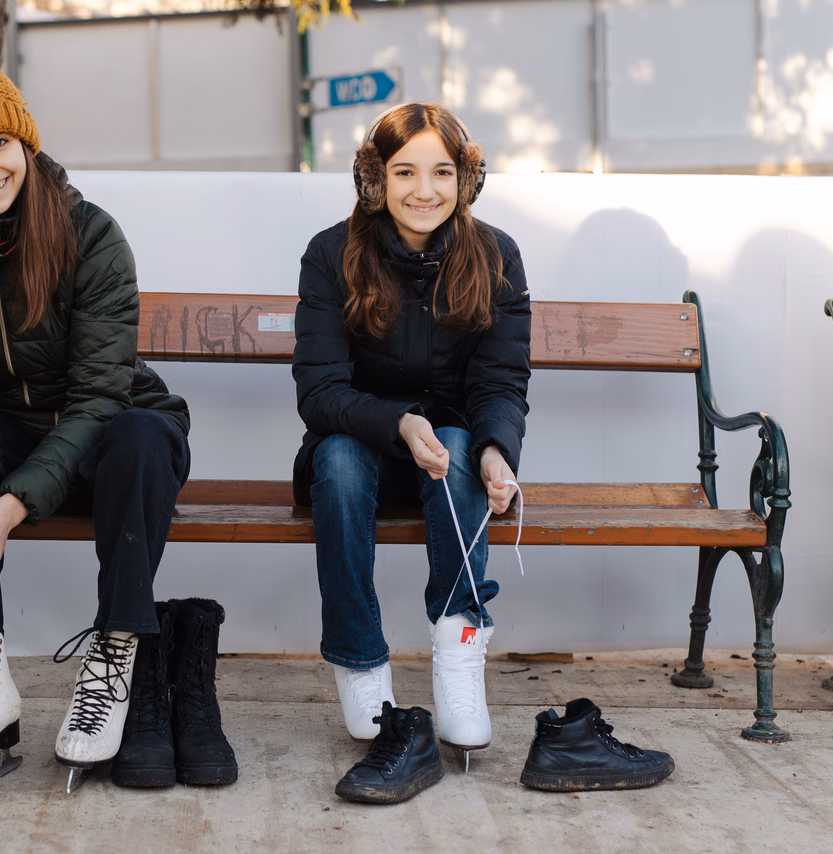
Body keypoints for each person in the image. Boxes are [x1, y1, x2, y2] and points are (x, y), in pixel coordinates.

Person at [0, 15, 200, 799]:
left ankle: (113, 662)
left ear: (25, 141)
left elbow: (97, 395)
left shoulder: (91, 236)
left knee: (139, 436)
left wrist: (8, 509)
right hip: (17, 438)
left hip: (114, 434)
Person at [292, 102, 531, 795]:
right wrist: (397, 423)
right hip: (359, 448)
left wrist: (495, 449)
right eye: (405, 172)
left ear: (466, 180)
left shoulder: (497, 255)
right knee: (334, 459)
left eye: (441, 172)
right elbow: (320, 390)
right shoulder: (330, 254)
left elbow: (500, 380)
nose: (423, 190)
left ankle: (459, 653)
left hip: (450, 463)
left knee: (458, 443)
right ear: (376, 177)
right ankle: (361, 664)